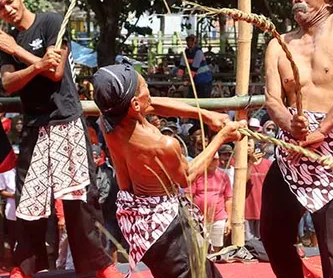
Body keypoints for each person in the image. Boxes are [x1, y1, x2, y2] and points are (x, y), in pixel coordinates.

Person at [0, 0, 121, 277]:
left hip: (65, 120)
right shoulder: (8, 41)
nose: (6, 10)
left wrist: (18, 52)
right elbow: (8, 84)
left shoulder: (50, 22)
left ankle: (101, 266)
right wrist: (32, 63)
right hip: (34, 124)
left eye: (8, 1)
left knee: (80, 199)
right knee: (28, 198)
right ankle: (26, 266)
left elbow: (55, 72)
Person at [261, 0, 333, 277]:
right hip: (292, 152)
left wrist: (322, 129)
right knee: (271, 235)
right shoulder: (278, 44)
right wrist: (290, 125)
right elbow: (273, 100)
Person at [92, 64, 244, 278]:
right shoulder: (162, 145)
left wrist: (206, 115)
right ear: (135, 104)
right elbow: (186, 177)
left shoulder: (108, 119)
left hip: (137, 225)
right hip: (165, 229)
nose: (150, 94)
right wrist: (222, 137)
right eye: (145, 87)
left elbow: (153, 104)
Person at [188, 152, 233, 252]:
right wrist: (191, 216)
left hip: (219, 217)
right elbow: (189, 196)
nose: (213, 162)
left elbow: (229, 199)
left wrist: (229, 221)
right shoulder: (197, 176)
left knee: (217, 245)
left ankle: (214, 265)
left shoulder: (224, 176)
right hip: (199, 218)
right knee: (200, 247)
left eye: (215, 160)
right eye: (211, 159)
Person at [244, 138, 271, 240]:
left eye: (249, 145)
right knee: (249, 243)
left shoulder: (268, 164)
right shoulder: (241, 163)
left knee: (263, 242)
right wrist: (250, 163)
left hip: (263, 209)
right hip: (247, 209)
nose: (246, 148)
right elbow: (243, 181)